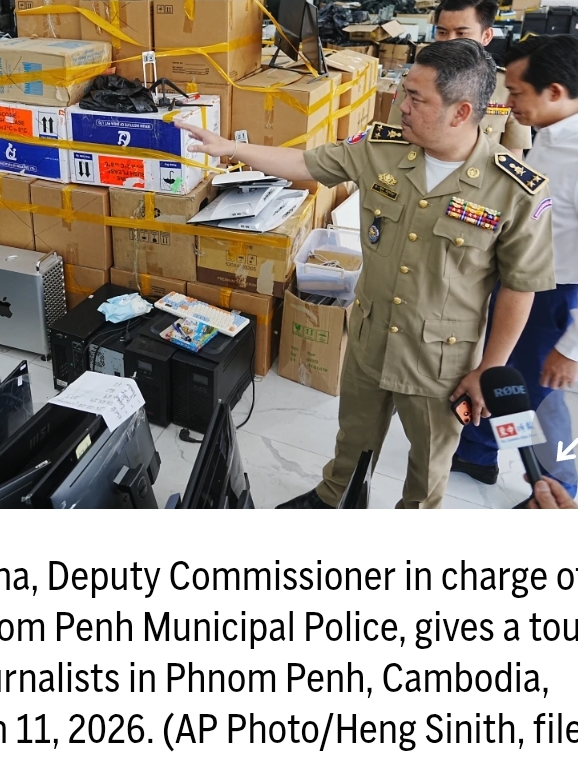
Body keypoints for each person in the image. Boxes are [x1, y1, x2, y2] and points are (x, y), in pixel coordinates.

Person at [176, 40, 557, 509]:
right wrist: (230, 147)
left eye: (417, 98)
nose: (401, 104)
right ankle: (335, 497)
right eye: (403, 91)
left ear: (461, 113)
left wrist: (489, 367)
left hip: (440, 362)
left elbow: (521, 287)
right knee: (354, 435)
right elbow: (305, 164)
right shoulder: (381, 148)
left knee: (430, 462)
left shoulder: (514, 189)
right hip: (371, 336)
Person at [452, 35, 578, 494]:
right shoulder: (555, 132)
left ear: (554, 91)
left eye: (516, 93)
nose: (508, 102)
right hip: (525, 280)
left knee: (528, 397)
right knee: (497, 376)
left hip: (556, 296)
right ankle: (477, 453)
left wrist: (574, 348)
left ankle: (556, 487)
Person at [388, 0, 532, 158]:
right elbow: (393, 141)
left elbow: (513, 157)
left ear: (486, 36)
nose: (449, 42)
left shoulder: (509, 87)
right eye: (442, 32)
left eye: (461, 33)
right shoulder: (413, 81)